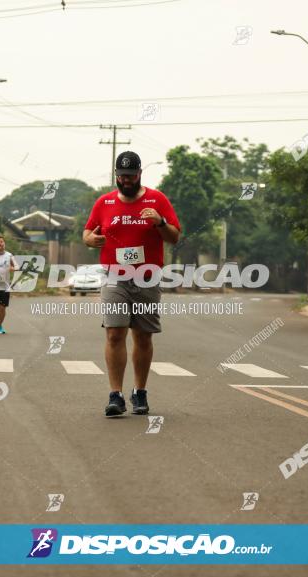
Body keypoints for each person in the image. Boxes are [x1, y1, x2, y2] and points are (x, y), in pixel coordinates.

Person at [83, 151, 180, 417]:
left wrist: (159, 222)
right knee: (115, 333)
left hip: (147, 277)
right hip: (115, 277)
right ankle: (115, 395)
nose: (126, 181)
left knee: (143, 335)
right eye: (122, 176)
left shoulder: (157, 199)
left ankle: (140, 392)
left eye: (131, 176)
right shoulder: (104, 202)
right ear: (117, 175)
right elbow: (87, 232)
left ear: (140, 174)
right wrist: (91, 239)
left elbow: (174, 236)